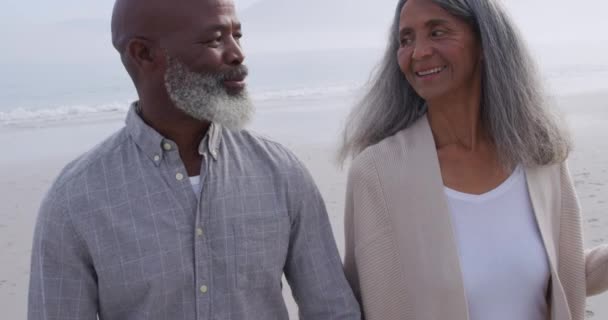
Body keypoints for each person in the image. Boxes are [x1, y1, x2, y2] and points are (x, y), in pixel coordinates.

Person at [27, 0, 361, 319]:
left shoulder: (282, 173)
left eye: (237, 35)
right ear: (143, 54)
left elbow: (332, 309)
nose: (237, 53)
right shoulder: (74, 202)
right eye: (215, 39)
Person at [339, 0, 608, 319]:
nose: (419, 52)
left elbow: (565, 275)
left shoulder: (539, 156)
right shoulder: (378, 173)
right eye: (406, 39)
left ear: (484, 42)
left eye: (437, 32)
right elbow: (359, 297)